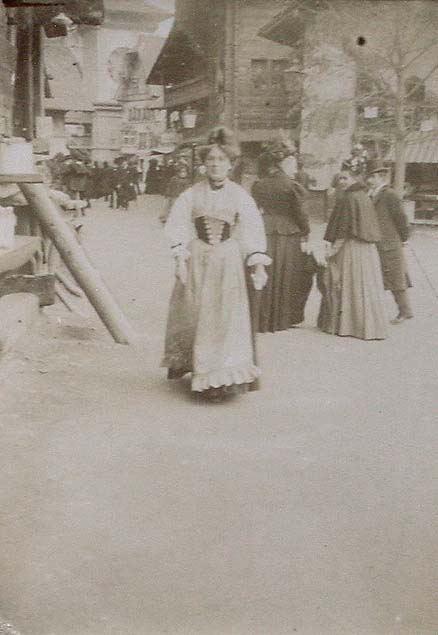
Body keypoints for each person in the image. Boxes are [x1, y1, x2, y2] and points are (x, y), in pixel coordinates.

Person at [161, 126, 271, 401]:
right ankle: (200, 369)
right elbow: (177, 225)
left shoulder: (239, 195)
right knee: (197, 314)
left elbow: (251, 229)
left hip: (228, 261)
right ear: (204, 164)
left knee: (225, 318)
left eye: (221, 160)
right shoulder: (191, 194)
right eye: (210, 160)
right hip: (198, 259)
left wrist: (257, 262)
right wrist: (179, 257)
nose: (215, 165)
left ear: (230, 164)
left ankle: (221, 380)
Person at [318, 164, 387, 340]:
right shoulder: (363, 196)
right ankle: (369, 327)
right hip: (367, 251)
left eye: (345, 178)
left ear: (354, 179)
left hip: (351, 248)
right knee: (365, 287)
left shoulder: (348, 198)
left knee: (346, 284)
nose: (342, 181)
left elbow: (344, 229)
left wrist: (332, 251)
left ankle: (348, 326)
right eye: (339, 178)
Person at [251, 150, 312, 332]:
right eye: (292, 164)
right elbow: (300, 214)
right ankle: (282, 319)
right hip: (288, 233)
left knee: (266, 271)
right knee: (287, 275)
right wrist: (306, 231)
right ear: (283, 164)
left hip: (265, 230)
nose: (294, 169)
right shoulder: (292, 186)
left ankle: (262, 318)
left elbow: (254, 210)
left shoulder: (259, 185)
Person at [368, 167, 413, 324]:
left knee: (396, 277)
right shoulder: (373, 194)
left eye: (372, 177)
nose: (369, 181)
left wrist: (404, 237)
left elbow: (401, 218)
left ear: (381, 178)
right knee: (386, 276)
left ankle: (405, 311)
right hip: (380, 241)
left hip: (390, 241)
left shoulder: (389, 195)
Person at [159, 158, 191, 224]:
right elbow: (169, 187)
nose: (183, 174)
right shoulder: (174, 179)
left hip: (183, 197)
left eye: (184, 172)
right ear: (178, 172)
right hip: (174, 196)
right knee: (171, 207)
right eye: (181, 172)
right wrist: (167, 194)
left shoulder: (187, 181)